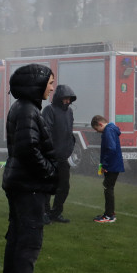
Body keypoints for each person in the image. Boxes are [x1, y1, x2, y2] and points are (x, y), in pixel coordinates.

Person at [0, 63, 57, 273]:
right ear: (36, 84)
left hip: (20, 182)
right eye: (50, 82)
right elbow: (28, 149)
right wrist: (49, 170)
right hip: (28, 185)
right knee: (29, 240)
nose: (52, 87)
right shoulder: (27, 111)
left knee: (17, 236)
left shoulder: (23, 108)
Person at [41, 84, 77, 224]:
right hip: (50, 156)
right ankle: (44, 212)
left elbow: (69, 132)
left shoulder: (69, 112)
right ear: (59, 98)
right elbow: (46, 132)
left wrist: (70, 147)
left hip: (63, 156)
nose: (67, 101)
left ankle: (56, 213)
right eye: (65, 98)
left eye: (69, 99)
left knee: (64, 186)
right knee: (48, 186)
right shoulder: (49, 110)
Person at [92, 115, 125, 223]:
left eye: (97, 129)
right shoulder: (111, 129)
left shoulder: (108, 131)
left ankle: (109, 216)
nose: (98, 132)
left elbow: (111, 148)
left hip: (112, 165)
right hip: (113, 164)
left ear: (100, 124)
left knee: (108, 188)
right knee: (108, 187)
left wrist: (105, 164)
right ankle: (109, 213)